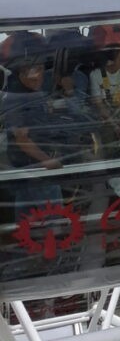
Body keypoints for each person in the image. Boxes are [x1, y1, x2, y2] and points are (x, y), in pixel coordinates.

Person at [3, 37, 66, 220]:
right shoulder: (17, 98)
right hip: (34, 163)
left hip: (26, 163)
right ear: (22, 72)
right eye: (36, 69)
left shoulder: (28, 90)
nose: (41, 74)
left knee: (25, 204)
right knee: (51, 207)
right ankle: (56, 238)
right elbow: (22, 139)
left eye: (41, 68)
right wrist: (48, 161)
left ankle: (23, 240)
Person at [90, 44, 120, 151]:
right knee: (109, 140)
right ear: (110, 62)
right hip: (106, 114)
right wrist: (115, 125)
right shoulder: (96, 75)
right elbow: (99, 104)